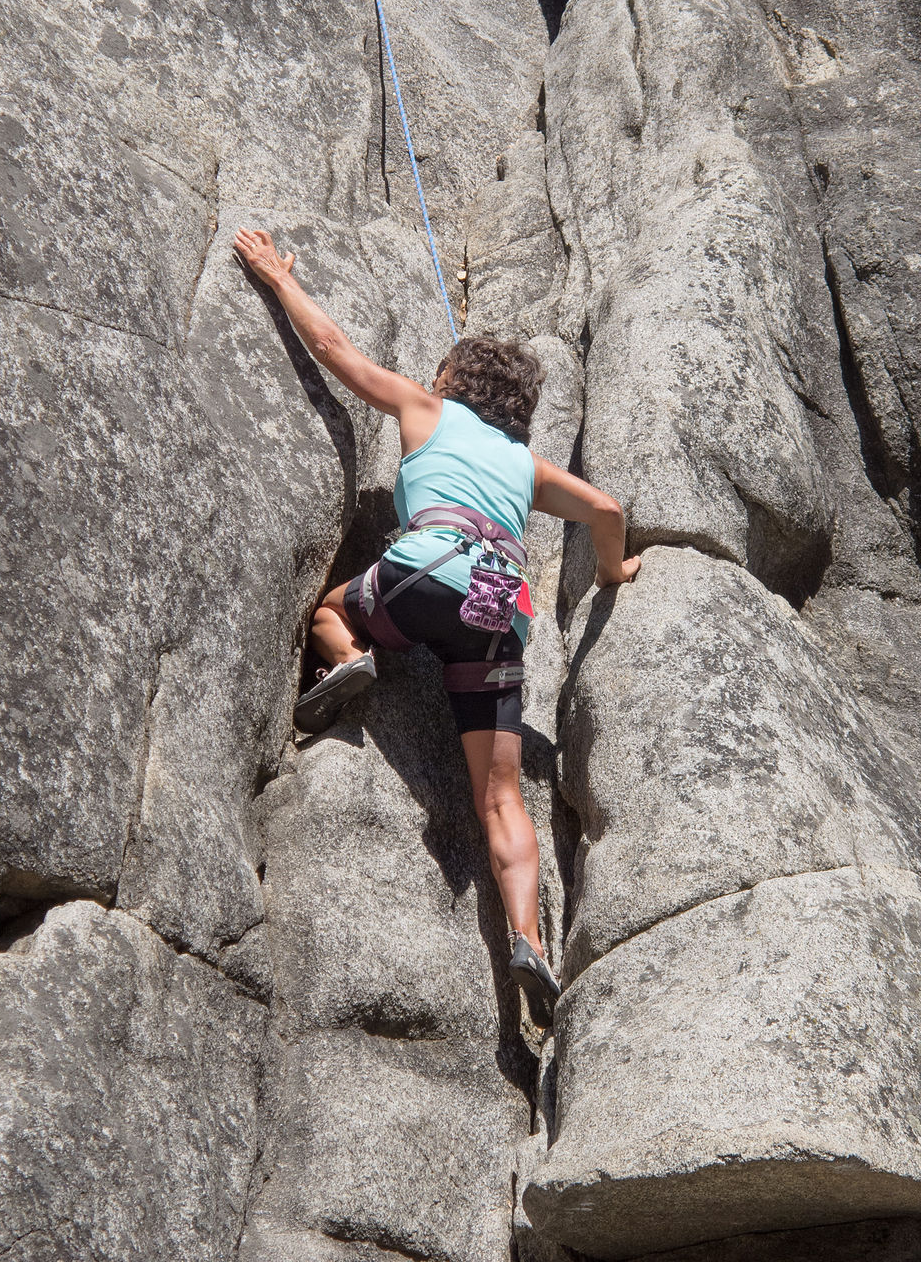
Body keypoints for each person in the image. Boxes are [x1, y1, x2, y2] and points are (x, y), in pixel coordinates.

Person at [233, 227, 641, 1023]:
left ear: (453, 379)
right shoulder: (524, 467)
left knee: (326, 608)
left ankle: (350, 659)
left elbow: (336, 351)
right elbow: (608, 509)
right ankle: (528, 940)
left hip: (428, 574)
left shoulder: (429, 408)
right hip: (501, 610)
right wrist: (614, 569)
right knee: (499, 800)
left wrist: (280, 279)